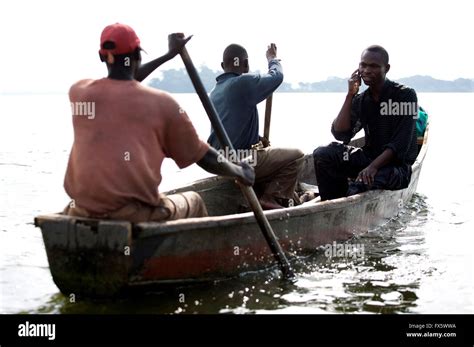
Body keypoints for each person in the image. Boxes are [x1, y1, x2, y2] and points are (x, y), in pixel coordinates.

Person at [63, 23, 254, 223]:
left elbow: (122, 79)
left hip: (81, 209)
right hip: (132, 215)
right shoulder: (163, 104)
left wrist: (168, 55)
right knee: (195, 201)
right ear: (138, 56)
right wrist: (239, 171)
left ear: (102, 57)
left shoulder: (79, 92)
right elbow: (204, 157)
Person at [313, 45, 418, 201]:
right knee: (322, 154)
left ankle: (346, 196)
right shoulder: (362, 100)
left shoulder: (404, 95)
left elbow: (400, 143)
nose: (367, 70)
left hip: (395, 167)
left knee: (360, 184)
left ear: (386, 68)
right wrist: (350, 95)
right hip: (369, 159)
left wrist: (373, 167)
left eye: (374, 66)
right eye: (363, 65)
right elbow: (341, 134)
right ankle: (331, 201)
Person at [207, 43, 304, 209]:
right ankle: (272, 197)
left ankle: (275, 196)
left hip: (217, 161)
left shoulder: (215, 91)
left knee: (267, 156)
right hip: (239, 160)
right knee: (297, 156)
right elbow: (276, 77)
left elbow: (232, 128)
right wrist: (272, 59)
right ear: (246, 65)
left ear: (223, 66)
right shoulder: (243, 82)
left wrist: (257, 139)